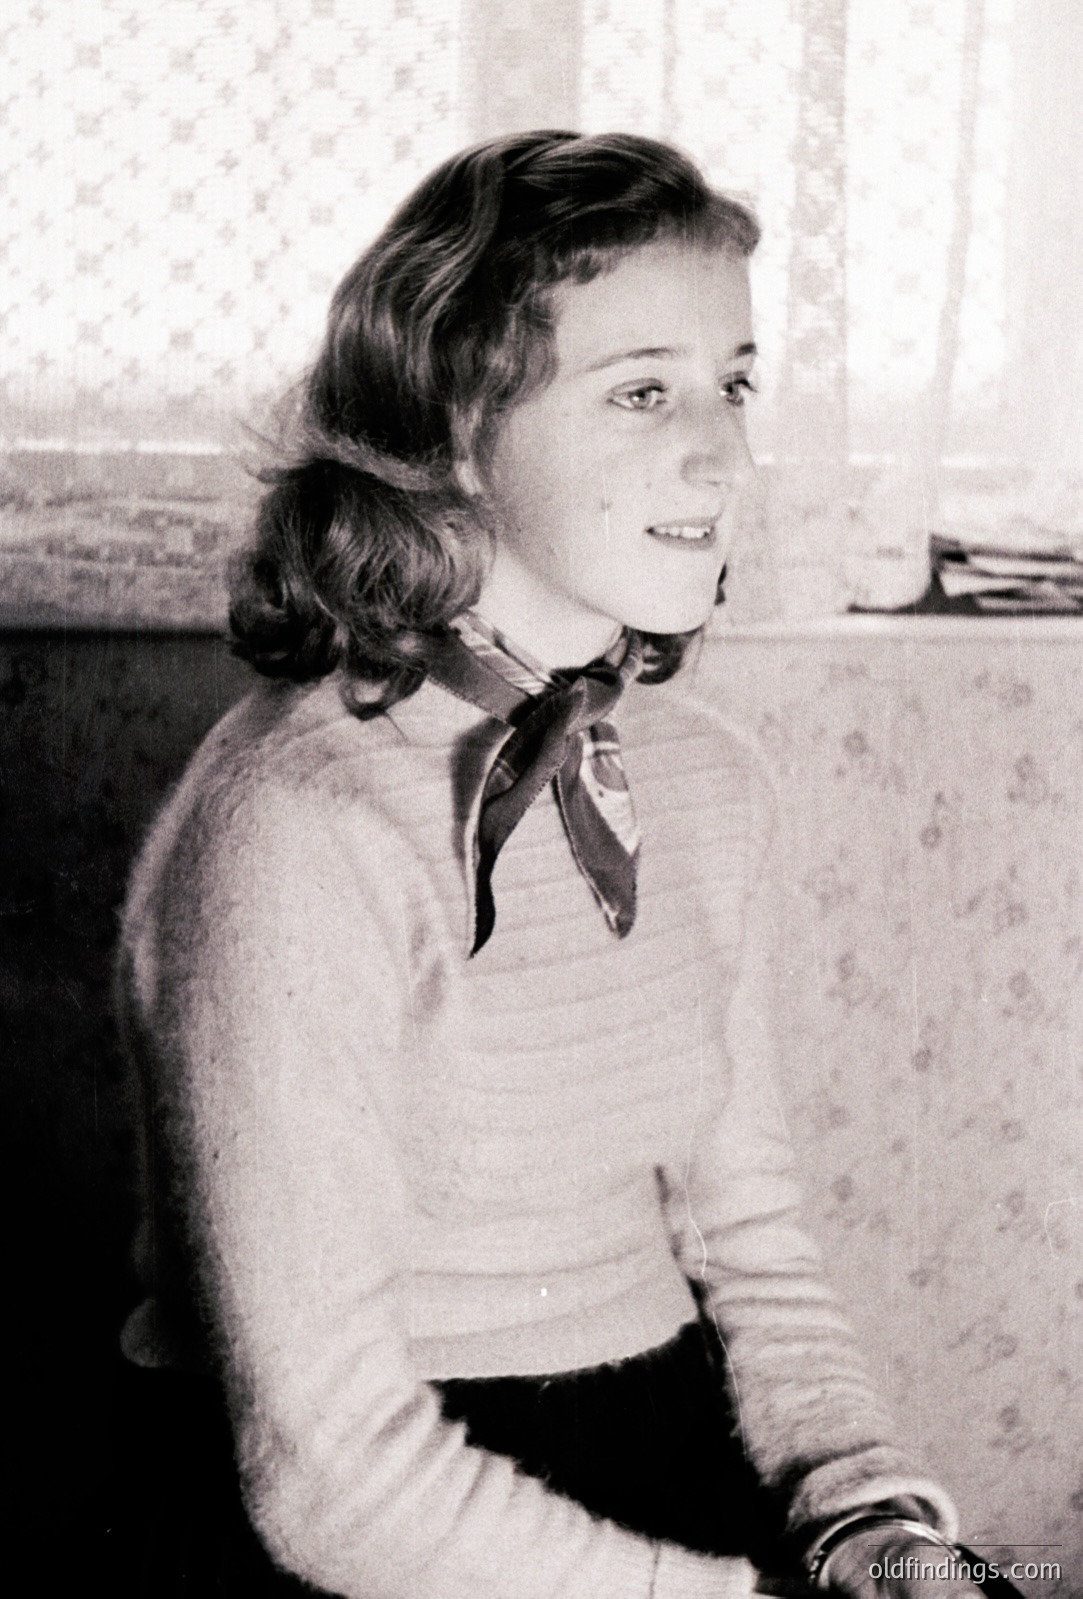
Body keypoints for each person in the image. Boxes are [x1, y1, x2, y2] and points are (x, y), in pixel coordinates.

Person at [117, 131, 987, 1598]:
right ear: (458, 432)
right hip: (357, 1529)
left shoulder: (709, 780)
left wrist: (867, 1521)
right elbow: (327, 1476)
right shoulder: (295, 821)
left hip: (654, 1443)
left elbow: (750, 1241)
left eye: (735, 382)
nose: (723, 450)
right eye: (643, 390)